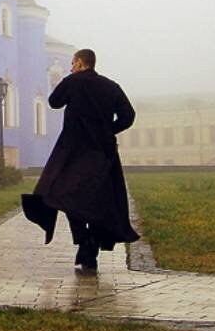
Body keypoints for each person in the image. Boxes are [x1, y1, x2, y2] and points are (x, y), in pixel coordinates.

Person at [21, 48, 138, 272]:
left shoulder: (73, 82)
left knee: (65, 196)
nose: (71, 67)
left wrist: (69, 82)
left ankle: (84, 240)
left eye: (73, 64)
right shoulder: (111, 86)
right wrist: (108, 130)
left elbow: (54, 101)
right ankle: (90, 244)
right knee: (96, 200)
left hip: (73, 151)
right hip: (102, 153)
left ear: (81, 63)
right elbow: (128, 116)